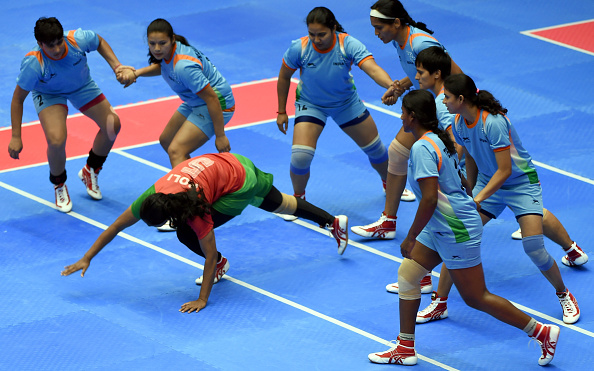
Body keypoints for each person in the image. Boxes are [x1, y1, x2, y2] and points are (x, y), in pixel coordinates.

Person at [367, 90, 560, 367]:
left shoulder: (422, 148)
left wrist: (410, 237)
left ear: (412, 117)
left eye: (403, 113)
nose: (400, 118)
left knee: (476, 297)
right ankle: (405, 347)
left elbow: (430, 198)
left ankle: (540, 332)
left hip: (455, 229)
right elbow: (460, 180)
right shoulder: (437, 139)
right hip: (445, 225)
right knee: (408, 275)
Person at [61, 152, 349, 313]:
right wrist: (87, 257)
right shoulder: (153, 195)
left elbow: (208, 255)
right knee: (280, 204)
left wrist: (202, 298)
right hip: (231, 162)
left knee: (186, 235)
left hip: (238, 184)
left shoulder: (195, 211)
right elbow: (115, 227)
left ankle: (227, 264)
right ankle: (333, 222)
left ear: (169, 214)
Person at [416, 73, 584, 327]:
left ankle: (563, 293)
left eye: (447, 98)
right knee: (458, 239)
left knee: (533, 247)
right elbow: (471, 157)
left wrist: (478, 198)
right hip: (486, 181)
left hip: (519, 184)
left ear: (461, 98)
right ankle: (440, 302)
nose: (444, 102)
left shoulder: (492, 122)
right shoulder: (460, 122)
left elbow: (505, 170)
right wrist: (470, 191)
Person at [351, 0, 463, 240]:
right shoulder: (402, 41)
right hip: (433, 105)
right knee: (399, 151)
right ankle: (388, 222)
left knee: (484, 168)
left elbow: (456, 75)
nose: (376, 33)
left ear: (397, 23)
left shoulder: (420, 43)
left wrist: (456, 111)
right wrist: (401, 85)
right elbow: (421, 72)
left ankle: (528, 214)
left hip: (449, 108)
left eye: (379, 27)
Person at [276, 7, 395, 208]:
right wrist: (281, 111)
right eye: (312, 34)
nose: (316, 39)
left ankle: (391, 186)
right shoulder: (300, 48)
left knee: (376, 150)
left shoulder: (347, 44)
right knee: (300, 156)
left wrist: (391, 85)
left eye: (321, 34)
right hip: (311, 104)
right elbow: (284, 77)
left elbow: (372, 69)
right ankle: (298, 201)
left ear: (333, 29)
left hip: (346, 104)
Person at [8, 17, 126, 212]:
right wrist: (15, 136)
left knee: (112, 125)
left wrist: (117, 66)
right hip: (49, 94)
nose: (56, 49)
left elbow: (99, 41)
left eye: (58, 43)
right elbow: (17, 99)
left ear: (62, 36)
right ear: (40, 44)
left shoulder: (77, 40)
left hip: (82, 87)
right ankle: (59, 184)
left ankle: (91, 170)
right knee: (56, 140)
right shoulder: (34, 63)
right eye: (50, 46)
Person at [116, 18, 233, 168]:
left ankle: (188, 190)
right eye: (152, 43)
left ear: (171, 39)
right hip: (195, 100)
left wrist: (220, 135)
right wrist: (136, 73)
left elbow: (212, 98)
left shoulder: (184, 67)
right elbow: (164, 67)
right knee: (167, 140)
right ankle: (196, 181)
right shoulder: (171, 52)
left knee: (176, 151)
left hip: (218, 103)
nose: (157, 48)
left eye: (162, 43)